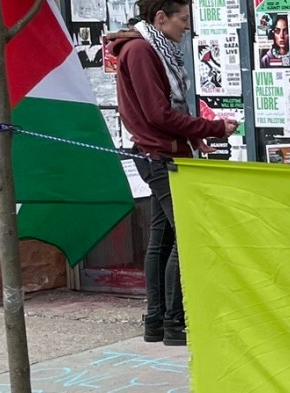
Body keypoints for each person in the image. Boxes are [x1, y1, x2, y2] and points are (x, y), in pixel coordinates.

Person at [108, 0, 239, 346]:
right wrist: (212, 128)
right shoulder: (141, 50)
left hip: (162, 151)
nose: (187, 27)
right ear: (161, 18)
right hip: (159, 155)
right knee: (187, 234)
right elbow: (158, 113)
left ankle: (156, 320)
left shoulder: (152, 47)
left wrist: (194, 135)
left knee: (162, 238)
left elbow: (163, 112)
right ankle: (173, 321)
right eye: (183, 19)